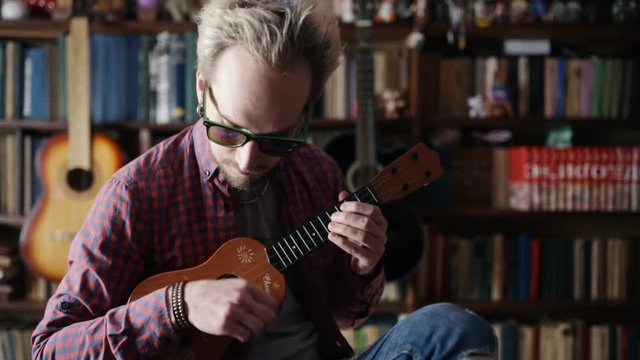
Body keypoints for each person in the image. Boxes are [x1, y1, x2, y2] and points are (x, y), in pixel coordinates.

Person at [32, 0, 497, 359]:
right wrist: (179, 304)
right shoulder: (136, 194)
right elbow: (50, 348)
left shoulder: (317, 173)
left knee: (456, 328)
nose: (250, 157)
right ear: (201, 88)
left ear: (302, 119)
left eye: (278, 139)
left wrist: (363, 264)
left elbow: (346, 315)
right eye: (230, 130)